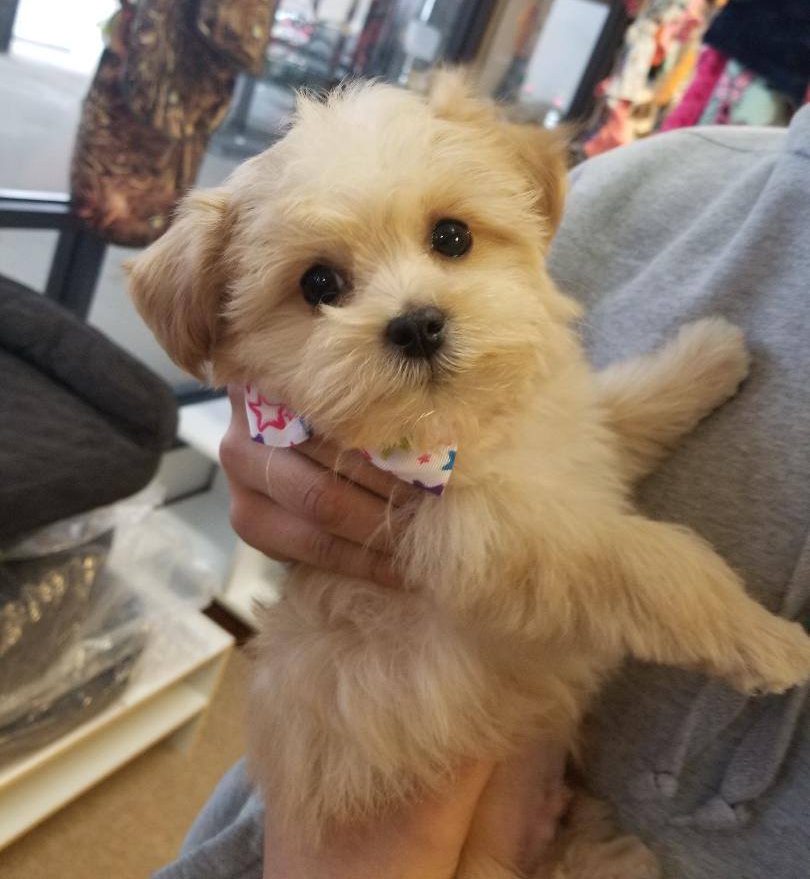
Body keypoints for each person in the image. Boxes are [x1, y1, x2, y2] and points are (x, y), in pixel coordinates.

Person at [153, 104, 810, 879]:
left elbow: (570, 455)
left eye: (450, 239)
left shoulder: (501, 394)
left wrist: (677, 385)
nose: (414, 312)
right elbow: (571, 561)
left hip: (538, 770)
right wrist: (735, 627)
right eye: (322, 285)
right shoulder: (400, 472)